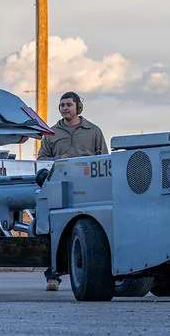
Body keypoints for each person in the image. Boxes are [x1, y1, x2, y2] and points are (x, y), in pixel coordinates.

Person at [36, 91, 109, 291]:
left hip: (90, 189)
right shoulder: (51, 133)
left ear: (78, 107)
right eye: (62, 105)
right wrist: (58, 161)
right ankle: (52, 277)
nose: (65, 108)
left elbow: (104, 159)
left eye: (68, 104)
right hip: (59, 188)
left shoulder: (93, 131)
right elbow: (41, 160)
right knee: (53, 230)